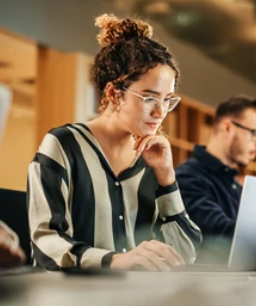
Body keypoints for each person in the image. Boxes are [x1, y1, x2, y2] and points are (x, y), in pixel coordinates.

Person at [27, 14, 201, 271]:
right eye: (149, 98)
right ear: (113, 94)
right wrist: (115, 261)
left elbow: (186, 254)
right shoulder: (63, 145)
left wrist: (166, 178)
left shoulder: (152, 159)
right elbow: (46, 244)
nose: (161, 112)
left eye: (167, 100)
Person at [176, 95, 256, 263]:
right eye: (255, 134)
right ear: (227, 128)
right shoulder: (187, 177)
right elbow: (218, 231)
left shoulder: (236, 187)